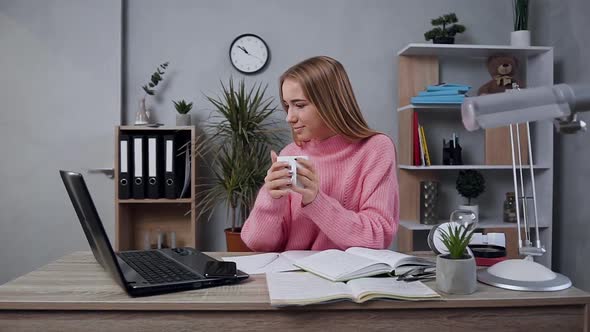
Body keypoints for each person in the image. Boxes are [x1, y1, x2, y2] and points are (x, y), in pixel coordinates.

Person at [241, 56, 399, 252]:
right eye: (287, 105)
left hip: (350, 279)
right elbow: (257, 243)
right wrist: (271, 199)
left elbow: (378, 236)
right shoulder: (291, 153)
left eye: (299, 105)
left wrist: (316, 201)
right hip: (292, 278)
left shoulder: (375, 149)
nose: (289, 117)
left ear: (330, 103)